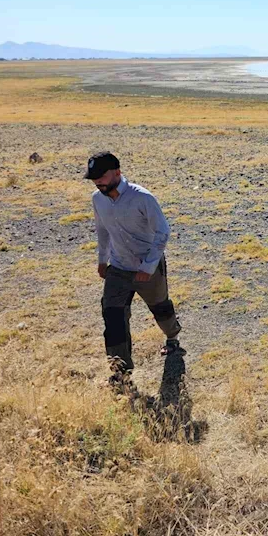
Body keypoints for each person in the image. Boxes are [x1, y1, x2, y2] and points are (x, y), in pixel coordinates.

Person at [86, 152, 183, 373]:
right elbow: (102, 230)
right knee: (113, 316)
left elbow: (163, 232)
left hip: (147, 267)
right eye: (93, 178)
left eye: (101, 176)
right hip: (118, 268)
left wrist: (148, 267)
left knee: (161, 309)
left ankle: (172, 338)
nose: (97, 181)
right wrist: (103, 260)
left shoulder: (142, 198)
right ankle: (121, 370)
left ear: (118, 172)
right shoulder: (97, 199)